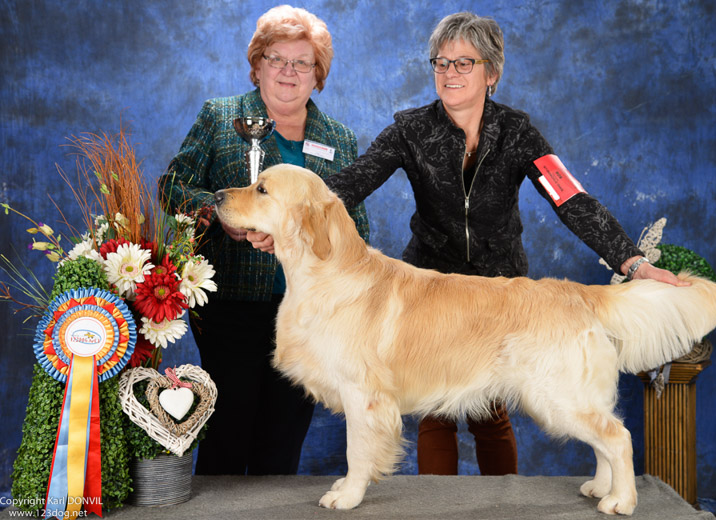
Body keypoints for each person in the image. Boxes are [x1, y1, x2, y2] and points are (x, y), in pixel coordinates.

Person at [247, 11, 686, 475]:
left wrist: (633, 264)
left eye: (464, 63)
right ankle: (439, 507)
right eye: (441, 63)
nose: (450, 73)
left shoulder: (518, 132)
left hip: (499, 294)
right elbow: (351, 183)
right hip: (429, 293)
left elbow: (570, 198)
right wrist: (292, 219)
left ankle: (502, 503)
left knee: (492, 416)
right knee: (434, 416)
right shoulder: (409, 129)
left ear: (491, 72)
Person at [159, 5, 369, 476]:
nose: (289, 72)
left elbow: (357, 229)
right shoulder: (221, 117)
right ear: (257, 67)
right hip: (230, 305)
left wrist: (305, 239)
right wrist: (218, 216)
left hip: (310, 315)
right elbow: (173, 187)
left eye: (303, 62)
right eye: (277, 59)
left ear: (319, 75)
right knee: (227, 436)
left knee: (282, 443)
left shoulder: (340, 139)